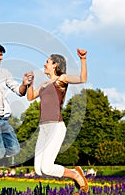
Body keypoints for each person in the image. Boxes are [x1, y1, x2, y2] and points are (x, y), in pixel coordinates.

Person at [26, 49, 89, 193]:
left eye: (47, 62)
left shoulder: (62, 79)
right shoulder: (43, 84)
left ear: (55, 65)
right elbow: (30, 97)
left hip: (56, 126)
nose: (44, 65)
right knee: (39, 170)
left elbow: (82, 78)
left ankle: (75, 175)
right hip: (43, 128)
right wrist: (30, 83)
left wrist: (83, 59)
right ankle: (74, 172)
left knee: (47, 167)